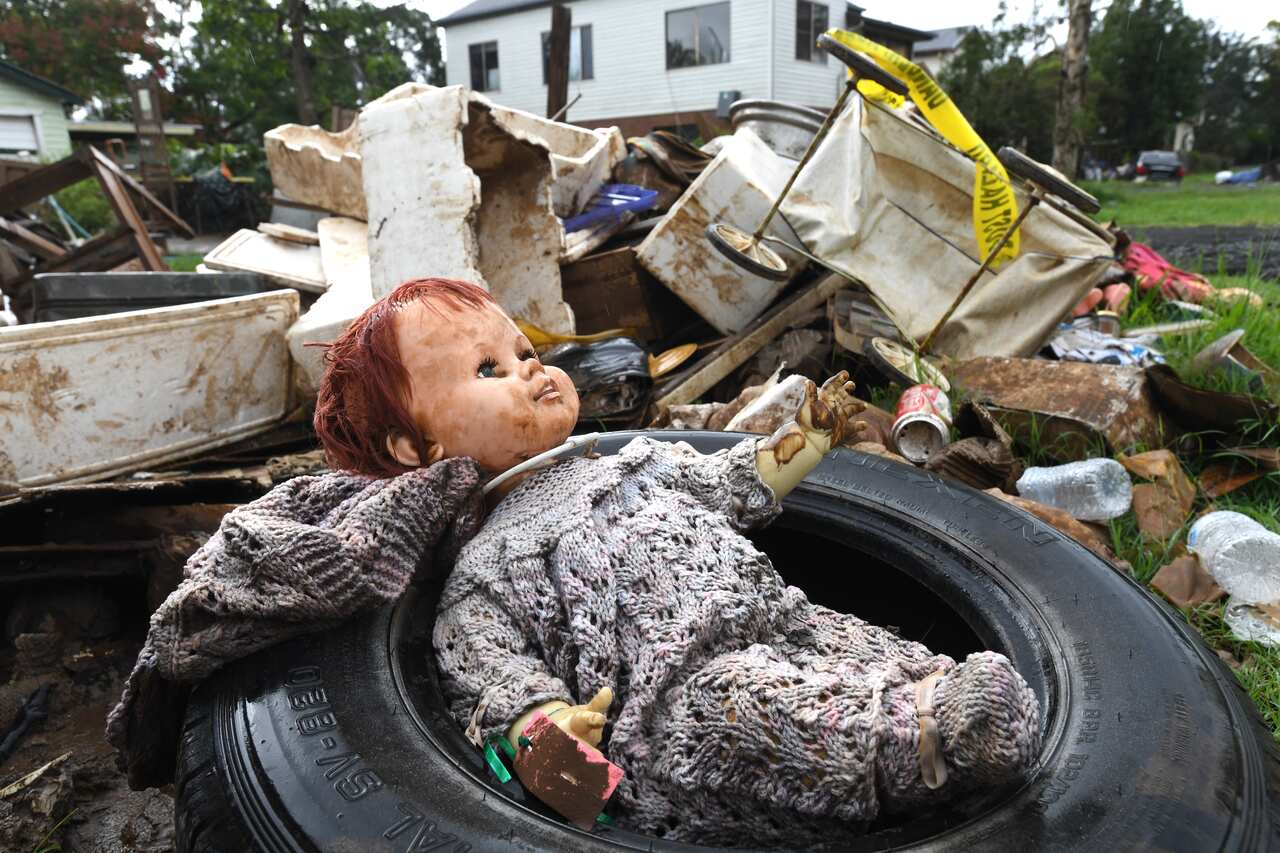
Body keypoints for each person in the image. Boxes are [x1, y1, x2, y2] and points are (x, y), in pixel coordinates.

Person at [315, 277, 1041, 846]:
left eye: (526, 353)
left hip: (780, 620)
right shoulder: (486, 569)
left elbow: (733, 482)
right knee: (750, 712)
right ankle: (928, 741)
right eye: (488, 368)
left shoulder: (636, 458)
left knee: (851, 645)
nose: (531, 370)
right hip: (672, 703)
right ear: (418, 450)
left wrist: (808, 440)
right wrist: (551, 738)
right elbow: (492, 676)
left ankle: (942, 702)